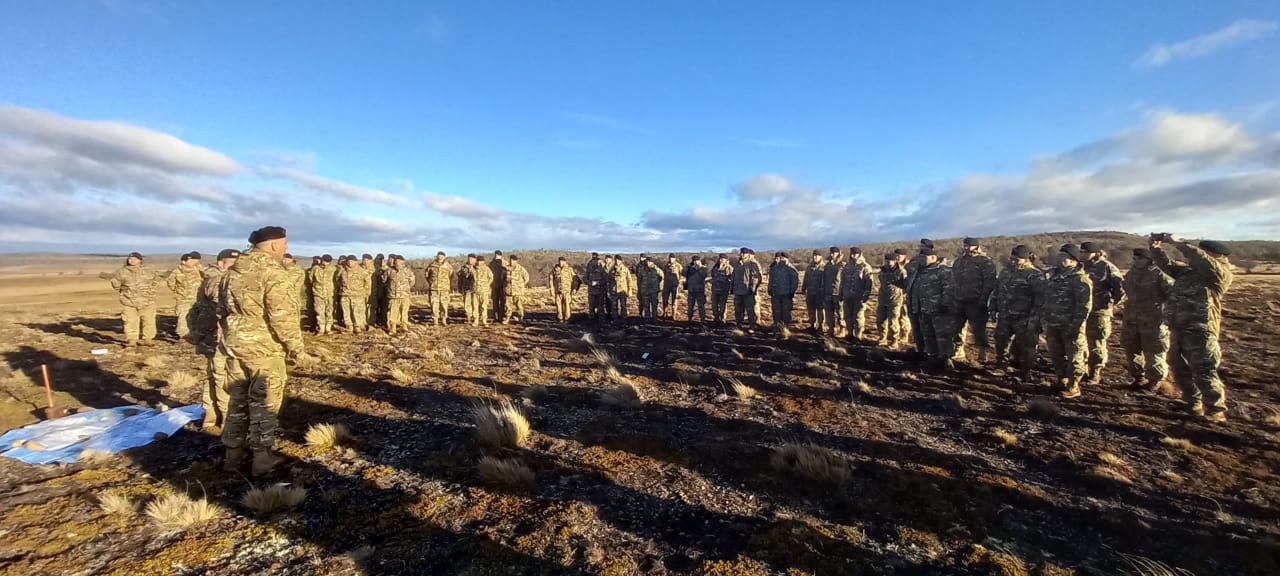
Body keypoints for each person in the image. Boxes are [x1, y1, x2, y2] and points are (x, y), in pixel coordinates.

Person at [219, 226, 316, 475]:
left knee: (237, 399)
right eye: (284, 243)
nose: (285, 248)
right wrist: (297, 350)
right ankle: (262, 459)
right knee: (264, 401)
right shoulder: (273, 273)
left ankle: (233, 455)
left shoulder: (233, 272)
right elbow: (282, 317)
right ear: (274, 245)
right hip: (263, 347)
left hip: (234, 344)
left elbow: (223, 306)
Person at [1151, 236, 1234, 422]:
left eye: (1203, 252)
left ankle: (1215, 410)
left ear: (1215, 255)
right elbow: (1167, 265)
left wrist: (1177, 242)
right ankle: (1192, 403)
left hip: (1201, 330)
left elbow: (1201, 259)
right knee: (1179, 368)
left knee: (1204, 369)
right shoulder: (1189, 272)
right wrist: (1155, 248)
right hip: (1180, 327)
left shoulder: (1218, 273)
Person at [191, 248, 239, 429]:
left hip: (213, 336)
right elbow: (220, 309)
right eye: (231, 263)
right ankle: (226, 418)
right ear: (220, 263)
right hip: (218, 337)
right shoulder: (217, 280)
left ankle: (211, 415)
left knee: (213, 376)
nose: (235, 266)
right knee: (223, 378)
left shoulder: (213, 279)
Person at [1042, 244, 1092, 398]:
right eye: (1060, 256)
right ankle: (1062, 380)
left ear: (1074, 260)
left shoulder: (1080, 280)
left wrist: (1076, 325)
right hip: (1053, 323)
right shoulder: (1054, 277)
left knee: (1075, 356)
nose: (1060, 259)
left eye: (1065, 257)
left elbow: (1084, 306)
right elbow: (1046, 299)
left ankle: (1074, 385)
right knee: (1056, 354)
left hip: (1070, 325)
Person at [991, 245, 1046, 384]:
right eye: (1012, 258)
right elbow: (996, 291)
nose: (1014, 261)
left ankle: (1026, 371)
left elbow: (1041, 299)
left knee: (1027, 346)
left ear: (1027, 259)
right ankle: (1001, 366)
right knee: (1000, 341)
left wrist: (1034, 319)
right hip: (1005, 315)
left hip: (1024, 318)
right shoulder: (1005, 272)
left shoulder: (1035, 275)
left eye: (1018, 259)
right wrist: (993, 307)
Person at [1120, 248, 1173, 392]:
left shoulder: (1159, 274)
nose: (1137, 262)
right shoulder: (1131, 274)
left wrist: (1166, 315)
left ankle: (1156, 381)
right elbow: (1125, 290)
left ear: (1149, 260)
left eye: (1140, 259)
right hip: (1131, 319)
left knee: (1154, 352)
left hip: (1153, 321)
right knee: (1132, 351)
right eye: (1135, 259)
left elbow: (1172, 296)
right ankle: (1138, 378)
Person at [1081, 242, 1125, 384]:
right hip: (1081, 311)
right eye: (1081, 252)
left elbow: (1120, 289)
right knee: (1080, 342)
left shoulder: (1106, 267)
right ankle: (1081, 368)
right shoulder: (1081, 266)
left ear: (1095, 253)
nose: (1082, 255)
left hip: (1099, 311)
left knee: (1096, 343)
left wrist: (1110, 304)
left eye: (1085, 252)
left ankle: (1095, 372)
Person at [906, 248, 956, 369]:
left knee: (942, 335)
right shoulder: (919, 271)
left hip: (939, 310)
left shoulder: (943, 271)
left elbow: (949, 289)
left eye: (924, 258)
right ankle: (932, 358)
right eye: (920, 257)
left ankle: (946, 359)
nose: (921, 260)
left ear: (933, 257)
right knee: (927, 335)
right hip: (923, 310)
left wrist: (945, 304)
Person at [952, 237, 997, 363]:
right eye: (965, 245)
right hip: (959, 300)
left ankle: (982, 354)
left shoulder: (984, 262)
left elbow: (990, 283)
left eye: (969, 246)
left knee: (979, 330)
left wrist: (983, 300)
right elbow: (953, 280)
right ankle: (958, 351)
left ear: (976, 247)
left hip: (976, 302)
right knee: (956, 328)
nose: (966, 248)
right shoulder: (959, 262)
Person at [110, 252, 161, 347]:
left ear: (140, 260)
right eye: (130, 259)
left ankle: (148, 339)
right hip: (129, 301)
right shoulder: (122, 271)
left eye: (135, 259)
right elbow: (116, 285)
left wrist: (149, 292)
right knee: (130, 321)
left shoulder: (149, 271)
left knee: (149, 320)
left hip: (148, 301)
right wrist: (125, 292)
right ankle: (132, 340)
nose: (132, 260)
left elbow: (156, 281)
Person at [166, 252, 204, 341]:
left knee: (198, 317)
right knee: (183, 316)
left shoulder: (200, 270)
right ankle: (183, 336)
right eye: (191, 261)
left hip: (198, 298)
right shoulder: (177, 272)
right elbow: (170, 283)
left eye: (195, 261)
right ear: (184, 262)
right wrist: (179, 292)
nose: (194, 263)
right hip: (183, 299)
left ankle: (196, 335)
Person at [839, 247, 873, 340]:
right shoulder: (847, 266)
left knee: (858, 317)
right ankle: (849, 333)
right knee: (847, 316)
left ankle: (858, 335)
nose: (853, 255)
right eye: (852, 253)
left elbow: (868, 283)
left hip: (859, 297)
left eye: (855, 253)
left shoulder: (865, 266)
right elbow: (843, 281)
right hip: (847, 296)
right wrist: (841, 293)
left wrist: (866, 295)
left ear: (859, 254)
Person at [877, 252, 908, 349]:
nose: (887, 262)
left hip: (895, 300)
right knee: (880, 320)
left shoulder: (901, 271)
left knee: (893, 322)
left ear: (895, 261)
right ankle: (882, 337)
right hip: (883, 299)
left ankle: (894, 340)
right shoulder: (882, 271)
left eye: (889, 261)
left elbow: (905, 285)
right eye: (886, 260)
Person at [732, 248, 764, 329]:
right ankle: (738, 325)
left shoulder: (752, 264)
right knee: (738, 310)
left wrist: (752, 289)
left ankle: (752, 326)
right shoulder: (737, 264)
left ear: (748, 254)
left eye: (744, 253)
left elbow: (756, 278)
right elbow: (733, 276)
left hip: (748, 291)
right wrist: (732, 287)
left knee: (750, 310)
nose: (742, 254)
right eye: (741, 253)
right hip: (738, 291)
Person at [339, 256, 371, 332]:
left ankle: (357, 326)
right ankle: (349, 326)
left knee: (357, 311)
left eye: (352, 261)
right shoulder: (343, 271)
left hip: (357, 295)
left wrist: (365, 292)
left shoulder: (362, 271)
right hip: (345, 294)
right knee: (346, 311)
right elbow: (338, 281)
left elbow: (367, 282)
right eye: (349, 261)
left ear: (356, 262)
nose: (350, 263)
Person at [385, 255, 415, 334]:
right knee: (393, 312)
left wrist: (405, 289)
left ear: (403, 262)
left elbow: (412, 282)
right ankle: (393, 328)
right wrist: (391, 288)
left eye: (399, 261)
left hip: (404, 295)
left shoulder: (408, 271)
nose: (397, 262)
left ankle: (404, 326)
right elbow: (384, 281)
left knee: (404, 311)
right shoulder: (389, 270)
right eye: (396, 261)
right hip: (393, 296)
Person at [308, 255, 337, 335]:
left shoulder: (333, 269)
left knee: (329, 311)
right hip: (318, 293)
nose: (325, 263)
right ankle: (321, 328)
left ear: (330, 262)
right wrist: (316, 287)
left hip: (329, 294)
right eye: (324, 260)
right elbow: (311, 279)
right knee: (319, 311)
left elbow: (336, 279)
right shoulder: (315, 268)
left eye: (327, 262)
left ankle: (328, 328)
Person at [768, 252, 799, 326]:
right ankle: (777, 325)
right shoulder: (775, 268)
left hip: (786, 294)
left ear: (787, 259)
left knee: (786, 311)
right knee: (776, 311)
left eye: (783, 258)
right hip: (776, 293)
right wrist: (770, 289)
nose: (781, 260)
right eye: (781, 258)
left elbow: (795, 282)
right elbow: (771, 280)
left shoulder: (791, 269)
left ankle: (786, 327)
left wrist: (792, 292)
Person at [820, 247, 845, 336]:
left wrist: (843, 292)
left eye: (834, 253)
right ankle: (831, 329)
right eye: (831, 253)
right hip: (828, 292)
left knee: (840, 313)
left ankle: (842, 330)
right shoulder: (827, 265)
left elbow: (845, 280)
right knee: (829, 313)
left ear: (838, 253)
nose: (832, 255)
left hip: (838, 293)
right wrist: (823, 290)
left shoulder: (842, 265)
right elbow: (824, 279)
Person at [426, 251, 454, 326]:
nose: (440, 257)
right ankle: (435, 320)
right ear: (437, 257)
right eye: (439, 256)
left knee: (444, 305)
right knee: (434, 304)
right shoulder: (431, 265)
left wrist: (446, 284)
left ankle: (444, 319)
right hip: (434, 289)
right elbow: (427, 276)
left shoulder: (448, 266)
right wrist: (432, 283)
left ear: (444, 257)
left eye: (441, 256)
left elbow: (451, 276)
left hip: (444, 289)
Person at [801, 251, 826, 331]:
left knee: (820, 310)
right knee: (811, 309)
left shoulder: (824, 267)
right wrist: (803, 288)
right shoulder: (809, 267)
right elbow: (806, 278)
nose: (815, 257)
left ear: (821, 257)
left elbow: (826, 280)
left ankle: (821, 326)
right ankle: (812, 325)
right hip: (810, 292)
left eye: (817, 256)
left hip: (820, 293)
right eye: (814, 256)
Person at [549, 256, 578, 323]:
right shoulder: (555, 270)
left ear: (565, 262)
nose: (560, 262)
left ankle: (567, 318)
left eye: (562, 261)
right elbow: (551, 279)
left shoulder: (569, 269)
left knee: (567, 305)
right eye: (559, 261)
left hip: (567, 291)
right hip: (558, 290)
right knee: (558, 305)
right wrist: (551, 289)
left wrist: (574, 288)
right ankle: (560, 318)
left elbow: (575, 279)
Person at [281, 253, 306, 329]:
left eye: (286, 260)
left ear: (290, 259)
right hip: (281, 295)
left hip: (293, 294)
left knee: (295, 311)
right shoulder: (279, 269)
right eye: (283, 260)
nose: (284, 261)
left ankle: (296, 327)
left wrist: (293, 291)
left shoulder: (298, 269)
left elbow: (300, 281)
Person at [503, 254, 529, 324]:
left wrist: (521, 285)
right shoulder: (505, 269)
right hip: (508, 291)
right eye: (511, 260)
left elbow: (526, 278)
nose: (512, 262)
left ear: (516, 261)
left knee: (519, 305)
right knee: (507, 306)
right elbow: (502, 278)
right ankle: (507, 318)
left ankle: (520, 318)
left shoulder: (521, 269)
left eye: (514, 260)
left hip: (518, 292)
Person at [470, 254, 494, 326]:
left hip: (484, 291)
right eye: (478, 261)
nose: (479, 262)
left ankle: (484, 320)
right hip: (475, 290)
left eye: (481, 261)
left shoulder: (487, 269)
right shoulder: (473, 269)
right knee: (475, 306)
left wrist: (487, 285)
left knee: (484, 306)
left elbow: (491, 278)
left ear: (483, 262)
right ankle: (476, 320)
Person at [684, 255, 709, 323]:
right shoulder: (689, 268)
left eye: (696, 261)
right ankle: (689, 318)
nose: (695, 262)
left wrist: (699, 268)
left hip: (700, 290)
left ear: (699, 261)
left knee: (701, 305)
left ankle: (702, 319)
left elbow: (704, 275)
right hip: (691, 290)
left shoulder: (703, 269)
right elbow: (683, 273)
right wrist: (688, 267)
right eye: (694, 261)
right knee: (690, 305)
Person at [709, 253, 734, 323]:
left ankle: (722, 318)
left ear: (726, 260)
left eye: (722, 259)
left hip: (724, 289)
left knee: (723, 305)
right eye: (720, 259)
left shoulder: (729, 268)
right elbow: (712, 275)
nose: (720, 260)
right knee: (714, 305)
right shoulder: (715, 267)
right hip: (715, 289)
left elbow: (732, 278)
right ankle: (716, 317)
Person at [584, 253, 608, 321]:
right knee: (591, 306)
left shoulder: (602, 266)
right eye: (593, 259)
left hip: (600, 290)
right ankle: (591, 319)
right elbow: (585, 277)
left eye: (596, 259)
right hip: (591, 290)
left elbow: (605, 279)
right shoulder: (589, 266)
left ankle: (601, 319)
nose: (595, 261)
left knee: (600, 306)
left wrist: (598, 283)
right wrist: (589, 283)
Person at [610, 255, 633, 322]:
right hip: (614, 291)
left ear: (621, 261)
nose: (617, 261)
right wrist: (609, 290)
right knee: (614, 307)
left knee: (623, 306)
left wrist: (630, 290)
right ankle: (615, 320)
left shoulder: (625, 269)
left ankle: (624, 320)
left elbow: (629, 280)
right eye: (616, 260)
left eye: (618, 260)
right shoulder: (611, 269)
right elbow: (608, 280)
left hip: (622, 291)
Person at [489, 250, 508, 324]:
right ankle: (495, 317)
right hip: (494, 286)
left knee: (503, 302)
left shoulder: (505, 264)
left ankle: (502, 316)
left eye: (498, 255)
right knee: (495, 302)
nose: (497, 257)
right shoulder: (491, 264)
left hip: (503, 286)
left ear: (501, 256)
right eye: (496, 255)